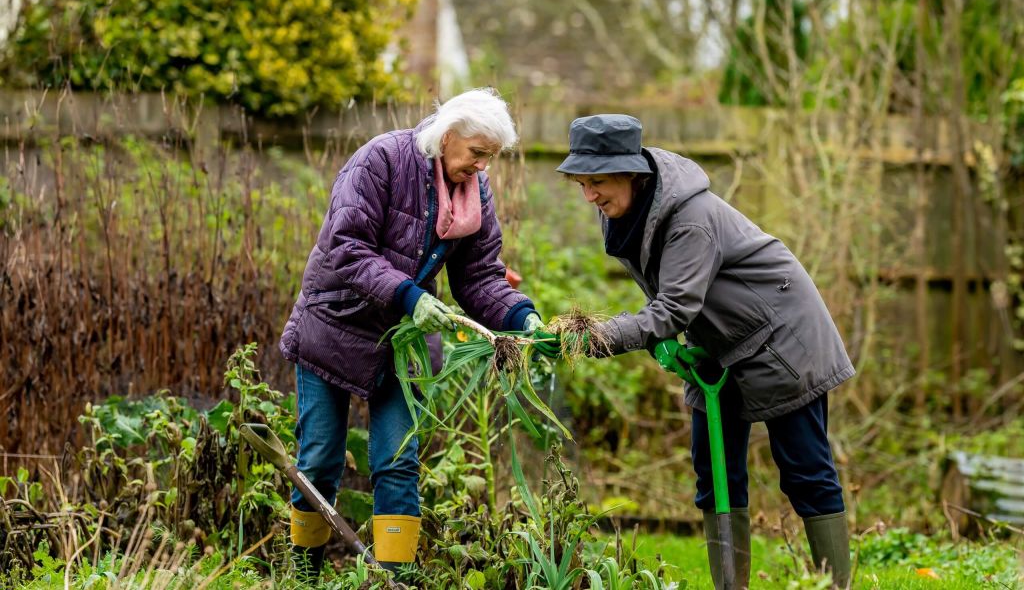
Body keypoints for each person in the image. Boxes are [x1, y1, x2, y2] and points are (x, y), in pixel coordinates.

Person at [534, 114, 854, 589]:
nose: (590, 196)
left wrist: (602, 335)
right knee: (715, 474)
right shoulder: (627, 212)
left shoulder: (690, 219)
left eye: (598, 182)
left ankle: (837, 586)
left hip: (783, 338)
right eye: (582, 184)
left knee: (805, 471)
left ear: (633, 174)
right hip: (718, 345)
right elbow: (668, 300)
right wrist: (662, 344)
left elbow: (673, 308)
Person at [278, 88, 543, 579]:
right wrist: (410, 295)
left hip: (403, 341)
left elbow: (480, 277)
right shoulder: (381, 160)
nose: (482, 168)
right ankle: (305, 575)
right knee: (318, 459)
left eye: (490, 158)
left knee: (397, 461)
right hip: (334, 324)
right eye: (477, 154)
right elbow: (346, 246)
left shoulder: (472, 192)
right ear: (447, 136)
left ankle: (391, 580)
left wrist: (522, 316)